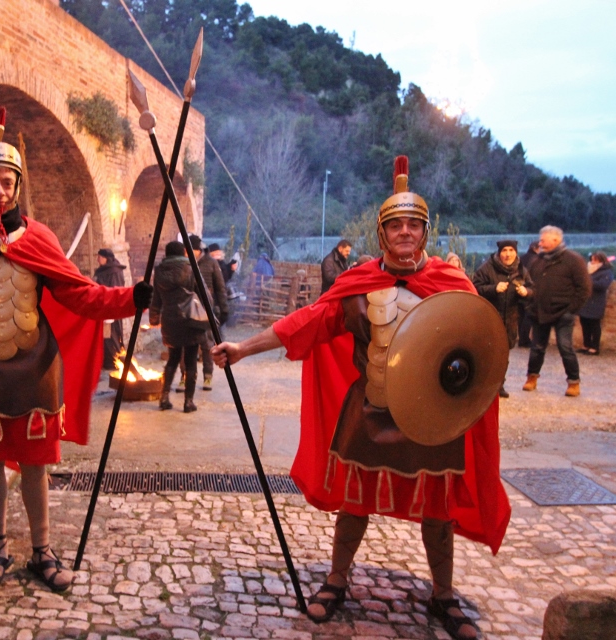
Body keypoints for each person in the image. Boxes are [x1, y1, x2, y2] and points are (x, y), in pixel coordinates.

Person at [211, 156, 509, 639]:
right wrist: (244, 347)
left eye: (414, 225)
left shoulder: (452, 285)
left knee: (437, 511)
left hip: (433, 418)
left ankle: (443, 595)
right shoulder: (357, 284)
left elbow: (480, 346)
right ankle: (336, 580)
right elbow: (307, 322)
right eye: (396, 225)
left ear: (425, 232)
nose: (405, 232)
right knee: (355, 502)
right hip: (370, 412)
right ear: (382, 232)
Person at [0, 107, 152, 592]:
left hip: (36, 372)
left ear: (17, 186)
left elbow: (81, 294)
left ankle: (42, 551)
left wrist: (130, 299)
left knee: (36, 464)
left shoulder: (39, 239)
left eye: (7, 182)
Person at [522, 226, 591, 397]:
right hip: (539, 312)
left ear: (555, 240)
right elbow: (529, 283)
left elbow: (584, 288)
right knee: (537, 348)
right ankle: (531, 378)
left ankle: (573, 382)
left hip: (563, 313)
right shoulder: (537, 261)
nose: (540, 243)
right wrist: (530, 305)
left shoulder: (573, 260)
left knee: (565, 347)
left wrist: (571, 310)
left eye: (543, 240)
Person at [472, 240, 533, 397]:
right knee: (487, 353)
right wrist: (493, 289)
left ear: (515, 252)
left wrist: (526, 292)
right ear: (499, 253)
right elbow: (474, 287)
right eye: (504, 250)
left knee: (504, 354)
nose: (508, 254)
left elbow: (532, 289)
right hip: (490, 318)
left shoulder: (521, 269)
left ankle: (499, 385)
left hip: (511, 319)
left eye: (511, 250)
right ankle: (483, 385)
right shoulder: (487, 268)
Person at [150, 241, 205, 413]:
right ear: (183, 253)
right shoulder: (191, 269)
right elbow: (203, 294)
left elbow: (156, 298)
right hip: (190, 319)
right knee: (191, 361)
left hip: (170, 321)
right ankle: (188, 402)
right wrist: (210, 315)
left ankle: (164, 397)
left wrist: (154, 318)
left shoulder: (159, 272)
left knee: (173, 359)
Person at [188, 235, 227, 391]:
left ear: (197, 250)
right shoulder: (186, 264)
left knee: (207, 344)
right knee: (189, 345)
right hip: (189, 309)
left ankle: (207, 377)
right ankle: (187, 377)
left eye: (191, 250)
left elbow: (220, 287)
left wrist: (223, 308)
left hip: (207, 308)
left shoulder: (211, 263)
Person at [93, 248, 126, 370]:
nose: (98, 259)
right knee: (105, 335)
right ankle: (107, 360)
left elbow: (115, 290)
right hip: (104, 307)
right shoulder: (104, 270)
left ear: (106, 258)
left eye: (100, 257)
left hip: (111, 308)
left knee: (112, 335)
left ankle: (114, 360)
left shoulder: (114, 271)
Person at [578, 251, 614, 355]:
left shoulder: (606, 272)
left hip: (596, 301)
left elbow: (603, 285)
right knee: (584, 323)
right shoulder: (587, 270)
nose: (592, 262)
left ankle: (595, 347)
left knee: (594, 325)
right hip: (585, 300)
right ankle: (586, 345)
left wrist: (587, 282)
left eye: (595, 260)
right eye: (592, 259)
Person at [518, 241, 541, 347]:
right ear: (535, 248)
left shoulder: (521, 258)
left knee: (521, 316)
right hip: (530, 289)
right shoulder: (536, 259)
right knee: (529, 316)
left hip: (520, 288)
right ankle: (525, 339)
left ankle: (522, 339)